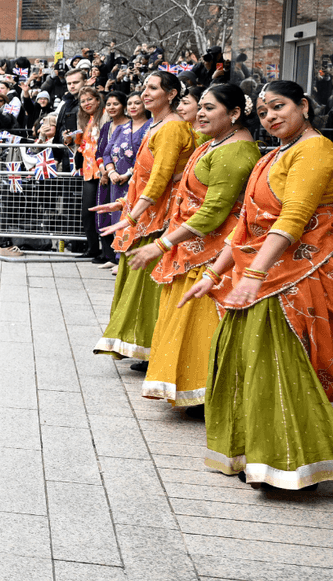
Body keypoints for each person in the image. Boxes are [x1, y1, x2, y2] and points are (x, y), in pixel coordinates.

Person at [181, 81, 333, 490]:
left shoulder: (314, 150)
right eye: (264, 112)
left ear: (304, 105)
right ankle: (259, 456)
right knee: (248, 362)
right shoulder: (280, 152)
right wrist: (215, 274)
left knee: (279, 365)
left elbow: (292, 219)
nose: (271, 117)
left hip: (296, 277)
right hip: (263, 274)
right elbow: (246, 224)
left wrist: (254, 274)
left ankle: (292, 464)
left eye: (279, 107)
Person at [131, 84, 260, 414]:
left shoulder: (235, 152)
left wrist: (161, 244)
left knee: (202, 325)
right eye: (199, 106)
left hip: (214, 253)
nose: (200, 113)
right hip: (191, 247)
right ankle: (190, 390)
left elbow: (214, 211)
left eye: (209, 108)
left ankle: (206, 394)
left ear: (234, 114)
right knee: (185, 322)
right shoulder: (215, 141)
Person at [92, 71, 196, 369]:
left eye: (153, 88)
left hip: (159, 217)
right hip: (145, 212)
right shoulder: (158, 125)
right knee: (136, 281)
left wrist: (133, 214)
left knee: (148, 285)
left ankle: (149, 348)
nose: (146, 93)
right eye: (144, 88)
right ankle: (138, 345)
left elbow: (161, 177)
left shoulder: (173, 128)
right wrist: (125, 204)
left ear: (172, 94)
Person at [95, 90, 131, 267]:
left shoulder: (131, 125)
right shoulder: (106, 127)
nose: (111, 107)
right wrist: (104, 171)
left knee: (122, 215)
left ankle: (120, 258)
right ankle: (110, 255)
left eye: (115, 104)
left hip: (125, 178)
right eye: (108, 104)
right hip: (106, 176)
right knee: (105, 216)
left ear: (124, 105)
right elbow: (100, 151)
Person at [70, 86, 104, 259]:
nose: (86, 103)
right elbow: (81, 145)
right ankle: (93, 248)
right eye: (83, 101)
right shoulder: (84, 120)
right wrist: (70, 140)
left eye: (90, 99)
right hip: (88, 170)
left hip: (104, 170)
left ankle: (108, 252)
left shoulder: (105, 116)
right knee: (87, 211)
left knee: (104, 211)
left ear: (98, 100)